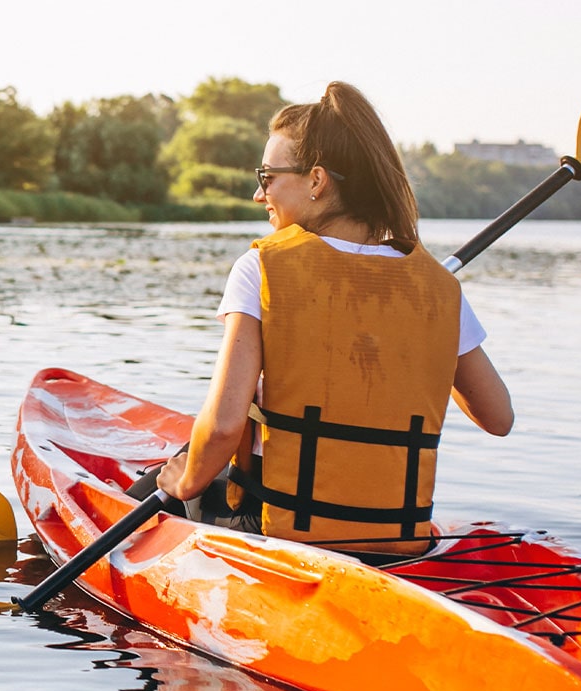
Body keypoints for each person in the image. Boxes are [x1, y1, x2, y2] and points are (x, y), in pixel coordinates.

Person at [143, 82, 514, 557]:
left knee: (169, 476)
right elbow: (498, 417)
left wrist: (186, 481)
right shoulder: (437, 288)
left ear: (316, 181)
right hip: (396, 541)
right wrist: (429, 327)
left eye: (268, 176)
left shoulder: (262, 267)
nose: (260, 194)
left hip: (278, 532)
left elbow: (220, 429)